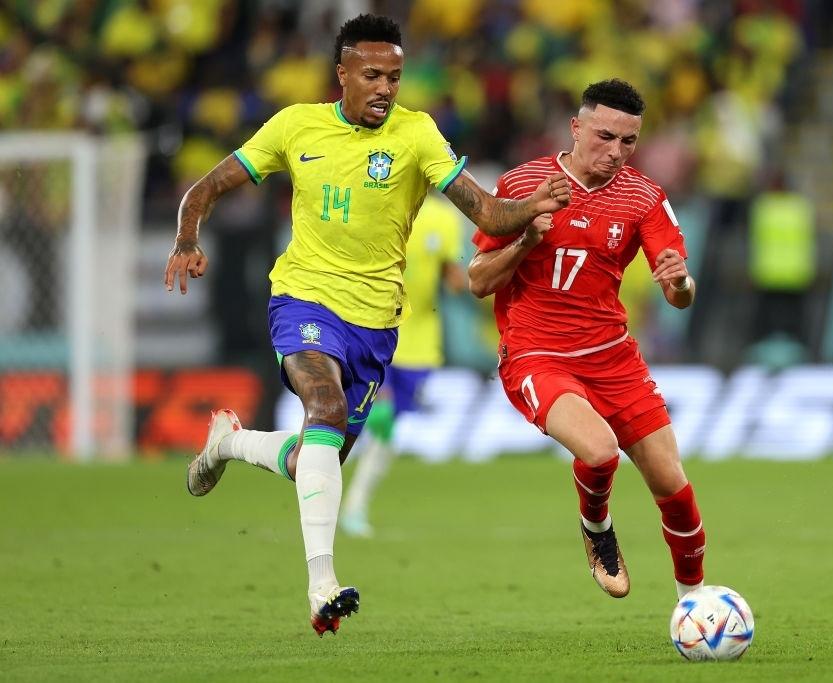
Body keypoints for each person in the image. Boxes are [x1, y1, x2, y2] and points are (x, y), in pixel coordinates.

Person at [163, 14, 570, 637]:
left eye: (396, 77)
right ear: (343, 75)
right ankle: (322, 586)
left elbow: (483, 208)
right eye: (373, 75)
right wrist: (187, 237)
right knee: (322, 409)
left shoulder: (417, 134)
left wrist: (531, 206)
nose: (386, 87)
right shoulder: (295, 124)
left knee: (314, 458)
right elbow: (206, 186)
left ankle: (228, 442)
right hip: (302, 298)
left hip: (377, 325)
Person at [467, 79, 706, 601]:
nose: (616, 151)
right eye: (605, 136)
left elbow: (679, 294)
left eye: (629, 141)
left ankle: (696, 603)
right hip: (536, 354)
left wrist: (681, 281)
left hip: (613, 356)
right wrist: (527, 237)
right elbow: (480, 281)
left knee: (673, 485)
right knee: (599, 453)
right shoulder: (523, 184)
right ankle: (596, 529)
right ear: (576, 128)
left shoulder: (644, 197)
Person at [339, 193, 466, 537]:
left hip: (419, 341)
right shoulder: (377, 201)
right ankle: (330, 491)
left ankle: (352, 503)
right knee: (374, 415)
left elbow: (453, 278)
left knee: (384, 427)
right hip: (372, 326)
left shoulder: (443, 218)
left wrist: (479, 276)